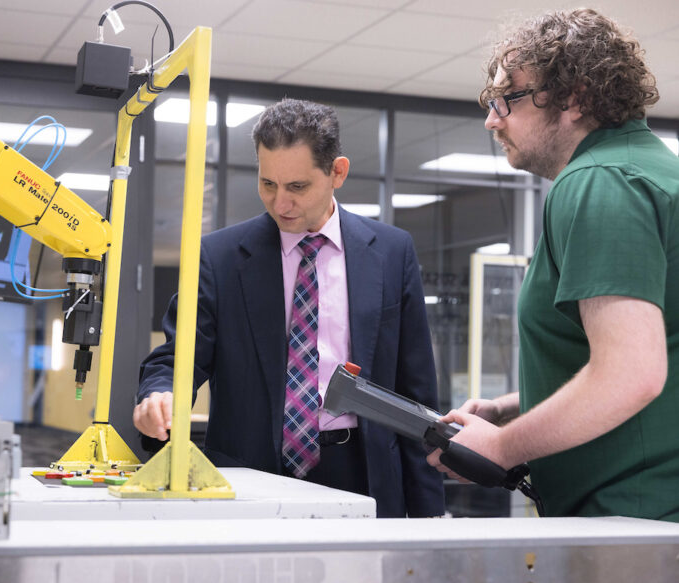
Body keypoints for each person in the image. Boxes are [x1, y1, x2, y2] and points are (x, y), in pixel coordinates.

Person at [135, 98, 444, 517]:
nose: (280, 204)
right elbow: (177, 357)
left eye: (297, 187)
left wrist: (428, 519)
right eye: (268, 185)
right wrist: (160, 394)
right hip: (251, 475)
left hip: (363, 474)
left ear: (337, 172)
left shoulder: (391, 252)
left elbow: (416, 393)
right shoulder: (219, 258)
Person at [428, 8, 679, 521]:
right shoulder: (650, 170)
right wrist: (510, 409)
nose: (491, 119)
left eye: (508, 99)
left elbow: (632, 374)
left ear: (575, 98)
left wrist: (502, 447)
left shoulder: (600, 182)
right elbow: (653, 351)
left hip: (635, 518)